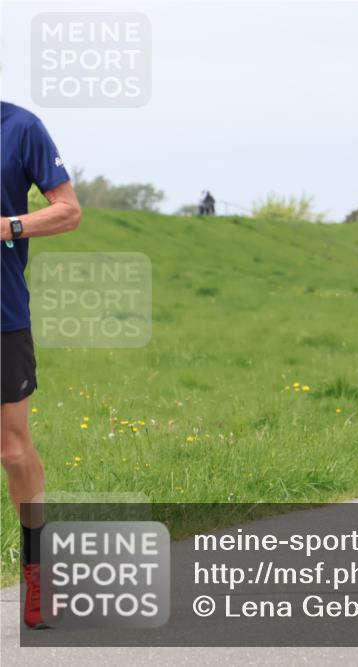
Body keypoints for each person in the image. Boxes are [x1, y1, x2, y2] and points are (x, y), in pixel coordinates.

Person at [1, 101, 82, 627]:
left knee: (10, 447)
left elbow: (68, 210)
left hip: (2, 314)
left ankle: (38, 575)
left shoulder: (20, 127)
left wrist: (9, 225)